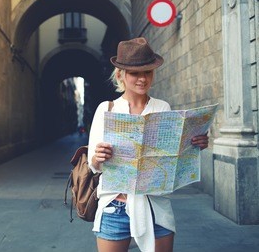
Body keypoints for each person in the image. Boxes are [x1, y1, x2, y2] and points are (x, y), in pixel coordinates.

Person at [87, 37, 209, 252]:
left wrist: (193, 145)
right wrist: (98, 156)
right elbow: (93, 165)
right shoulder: (106, 109)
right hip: (115, 207)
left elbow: (171, 159)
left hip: (155, 206)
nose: (142, 79)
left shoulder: (162, 107)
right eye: (135, 73)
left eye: (148, 72)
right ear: (120, 75)